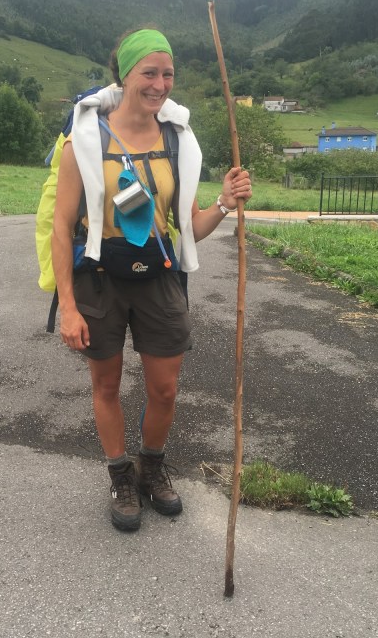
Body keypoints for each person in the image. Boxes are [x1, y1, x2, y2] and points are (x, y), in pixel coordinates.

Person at [51, 28, 252, 532]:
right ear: (125, 74)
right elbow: (61, 227)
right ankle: (120, 476)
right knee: (107, 384)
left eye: (167, 74)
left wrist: (224, 203)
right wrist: (69, 307)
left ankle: (152, 466)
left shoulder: (177, 142)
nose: (160, 84)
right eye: (149, 73)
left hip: (159, 276)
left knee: (165, 389)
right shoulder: (84, 142)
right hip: (100, 277)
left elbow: (190, 229)